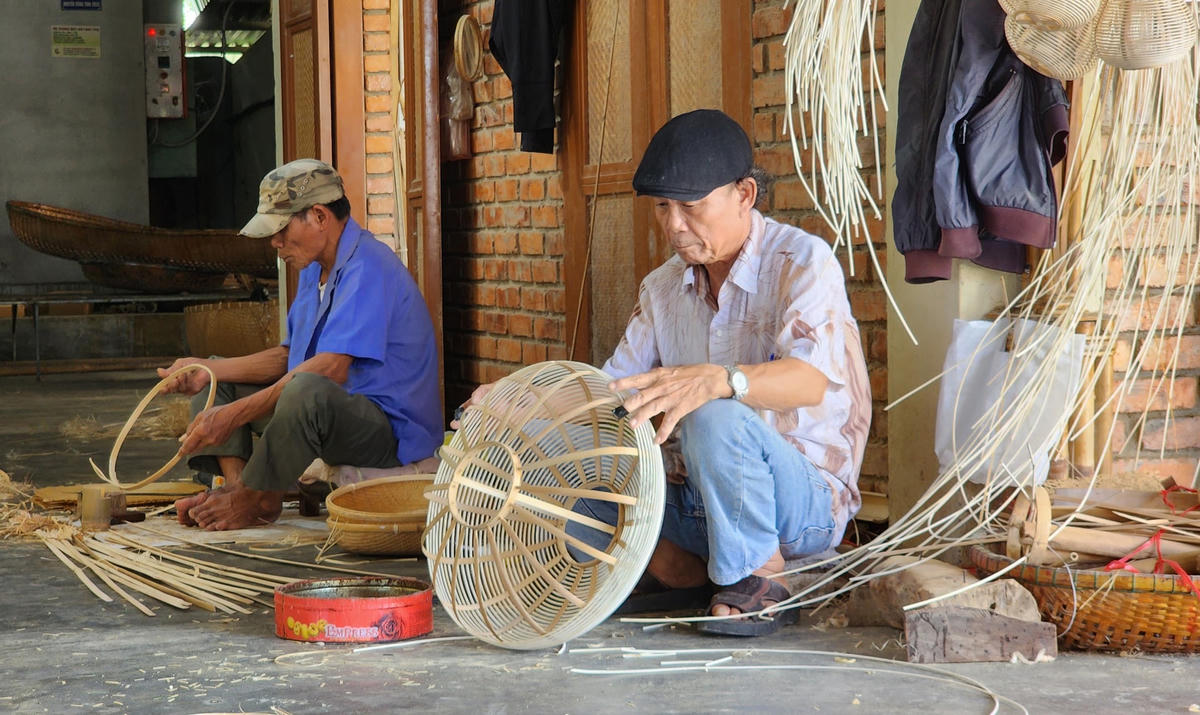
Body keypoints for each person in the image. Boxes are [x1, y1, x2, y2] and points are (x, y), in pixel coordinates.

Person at [457, 109, 871, 636]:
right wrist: (522, 401)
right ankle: (684, 574)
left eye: (691, 206)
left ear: (745, 194)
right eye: (663, 207)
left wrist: (721, 380)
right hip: (701, 504)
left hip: (803, 505)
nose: (674, 225)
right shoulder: (662, 288)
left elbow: (810, 382)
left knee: (712, 414)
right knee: (563, 463)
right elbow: (613, 397)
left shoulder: (802, 262)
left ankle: (762, 576)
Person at [162, 158, 443, 531]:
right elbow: (288, 357)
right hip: (331, 414)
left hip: (389, 432)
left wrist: (236, 414)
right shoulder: (314, 270)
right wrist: (206, 369)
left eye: (281, 230)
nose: (275, 243)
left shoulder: (369, 267)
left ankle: (258, 497)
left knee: (305, 393)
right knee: (215, 381)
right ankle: (238, 490)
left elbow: (329, 369)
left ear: (320, 216)